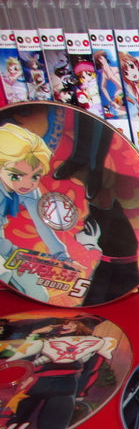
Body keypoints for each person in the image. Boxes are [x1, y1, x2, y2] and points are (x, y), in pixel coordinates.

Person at [0, 123, 70, 299]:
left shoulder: (29, 190)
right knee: (4, 273)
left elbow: (42, 223)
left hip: (3, 244)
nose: (27, 183)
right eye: (16, 175)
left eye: (35, 176)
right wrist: (10, 251)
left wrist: (62, 256)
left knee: (39, 294)